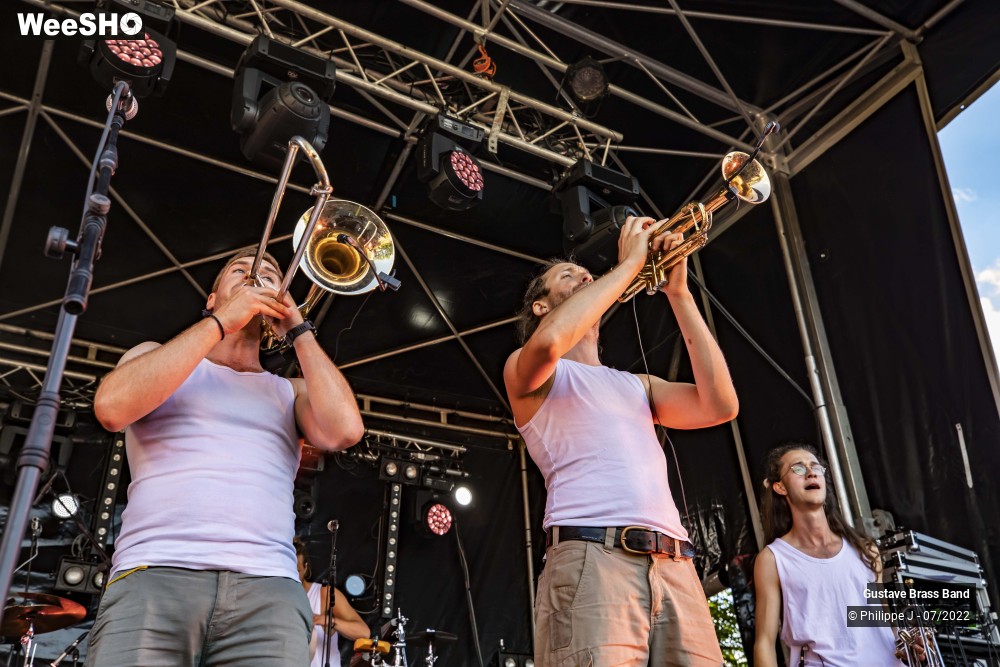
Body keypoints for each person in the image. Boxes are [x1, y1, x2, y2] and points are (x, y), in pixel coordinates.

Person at [87, 246, 365, 667]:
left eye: (270, 274)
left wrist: (298, 327)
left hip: (267, 591)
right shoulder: (154, 355)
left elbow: (346, 431)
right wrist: (221, 323)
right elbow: (111, 409)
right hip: (154, 571)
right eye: (240, 270)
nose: (256, 275)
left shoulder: (290, 392)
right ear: (212, 299)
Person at [503, 216, 739, 666]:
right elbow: (550, 344)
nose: (585, 277)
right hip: (593, 556)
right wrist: (630, 264)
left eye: (586, 274)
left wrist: (679, 294)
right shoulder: (527, 367)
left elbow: (720, 405)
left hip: (675, 566)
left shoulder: (639, 385)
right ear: (540, 306)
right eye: (568, 276)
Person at [753, 443, 916, 666]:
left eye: (816, 467)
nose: (810, 472)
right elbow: (764, 642)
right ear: (780, 487)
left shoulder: (866, 550)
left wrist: (907, 645)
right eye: (798, 468)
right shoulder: (773, 559)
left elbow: (877, 622)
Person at [294, 537, 370, 667]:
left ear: (305, 568)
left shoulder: (323, 593)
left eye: (297, 570)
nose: (292, 574)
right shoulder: (277, 597)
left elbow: (363, 632)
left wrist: (327, 621)